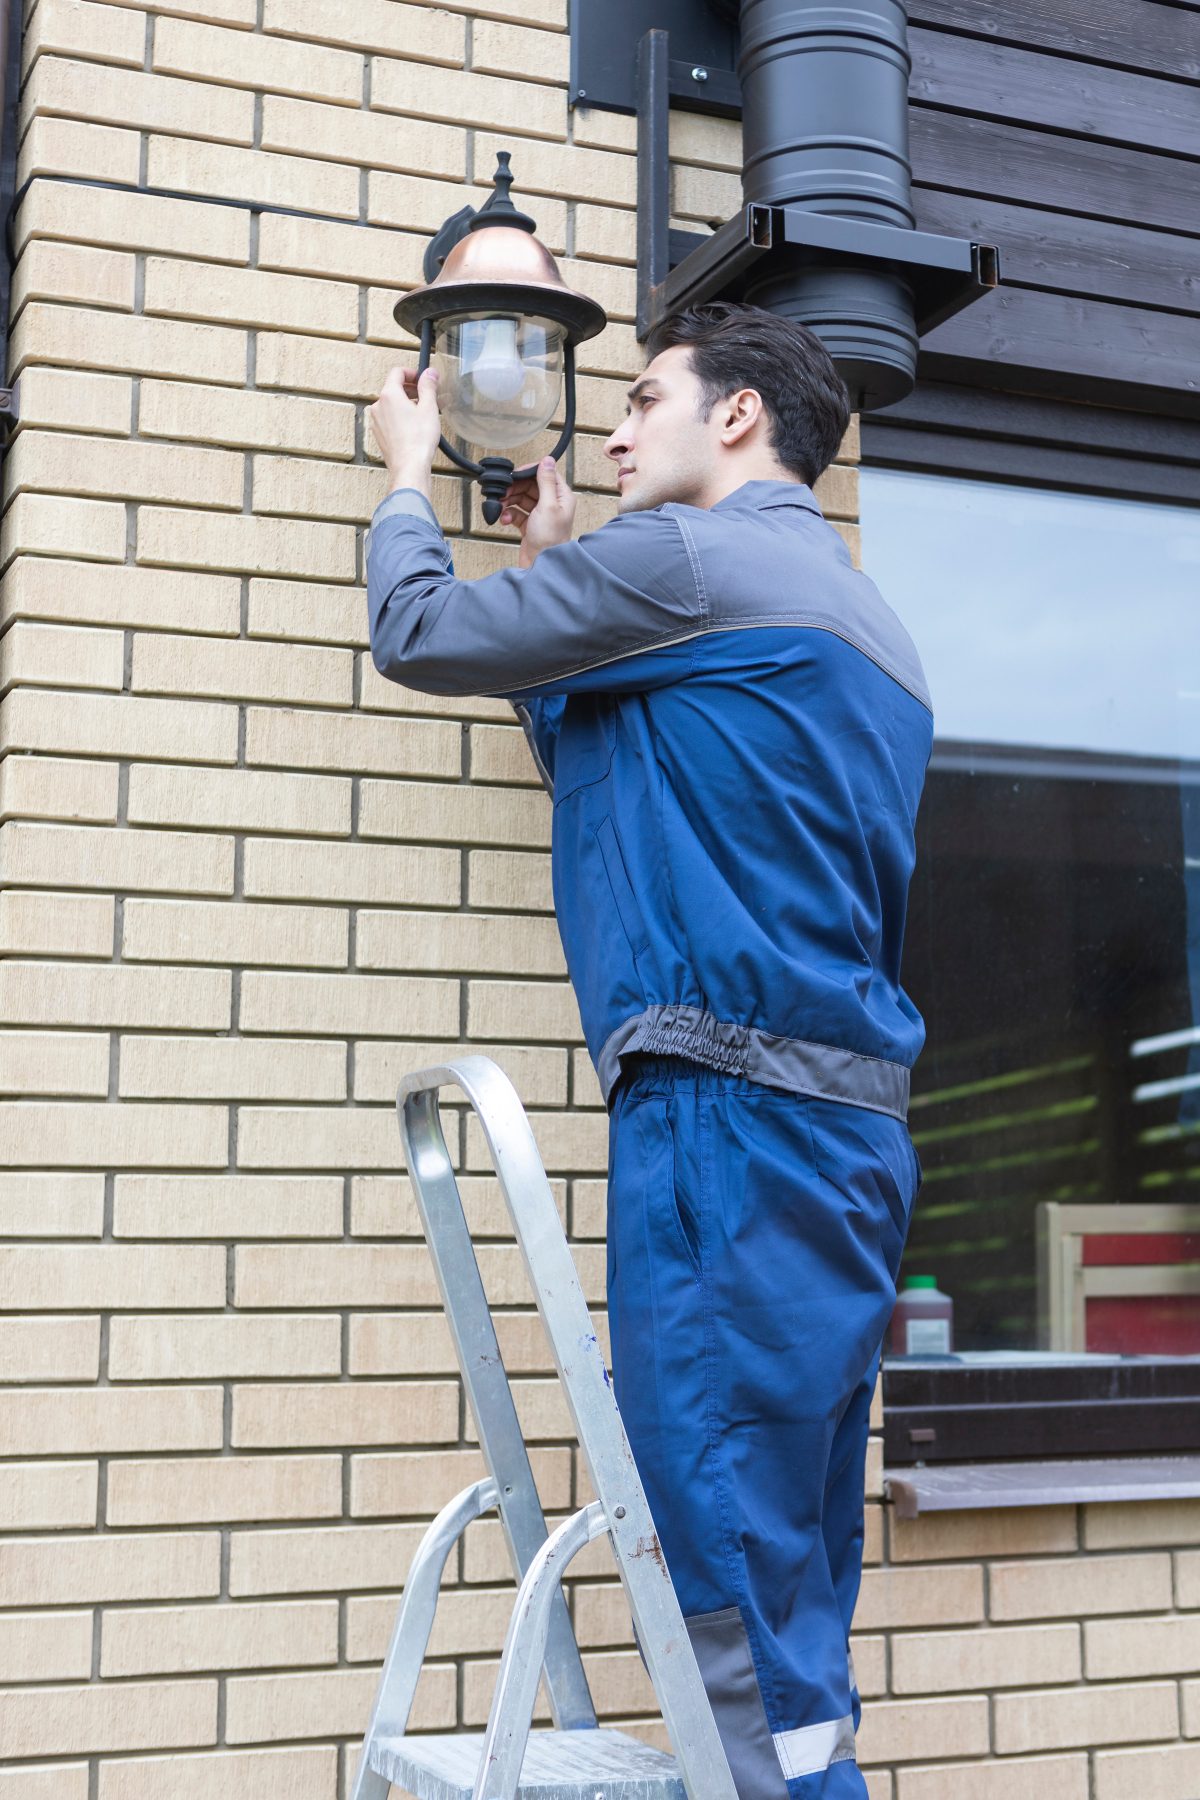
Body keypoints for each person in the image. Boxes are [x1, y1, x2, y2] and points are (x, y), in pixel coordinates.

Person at [364, 301, 931, 1799]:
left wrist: (410, 476)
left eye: (639, 399)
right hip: (845, 1141)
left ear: (738, 416)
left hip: (727, 1129)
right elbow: (628, 772)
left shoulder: (689, 561)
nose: (608, 433)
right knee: (795, 1579)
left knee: (725, 1580)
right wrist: (560, 560)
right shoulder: (864, 622)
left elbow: (419, 635)